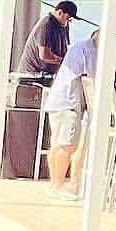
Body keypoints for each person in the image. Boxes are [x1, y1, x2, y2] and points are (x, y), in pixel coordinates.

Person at [45, 27, 97, 194]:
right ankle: (58, 186)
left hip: (58, 101)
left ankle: (54, 185)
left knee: (57, 145)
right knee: (67, 146)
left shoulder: (79, 47)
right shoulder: (90, 51)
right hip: (68, 103)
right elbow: (94, 79)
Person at [17, 0, 77, 81]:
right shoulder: (46, 25)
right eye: (68, 18)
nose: (68, 22)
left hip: (47, 75)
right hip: (31, 76)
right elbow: (44, 55)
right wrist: (64, 61)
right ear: (60, 12)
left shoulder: (64, 25)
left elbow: (64, 50)